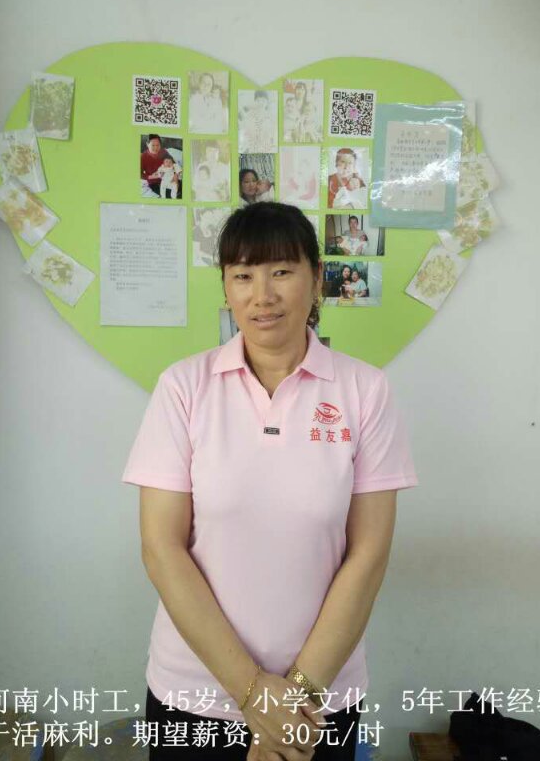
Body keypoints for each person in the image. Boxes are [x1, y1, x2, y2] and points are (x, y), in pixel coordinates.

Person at [122, 202, 418, 760]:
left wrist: (292, 703)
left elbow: (369, 555)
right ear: (226, 287)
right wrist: (255, 693)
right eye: (243, 276)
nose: (263, 295)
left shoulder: (364, 391)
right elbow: (162, 549)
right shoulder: (183, 387)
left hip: (319, 696)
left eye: (281, 271)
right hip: (195, 693)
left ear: (317, 278)